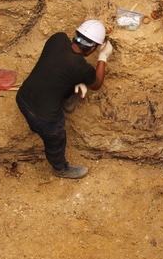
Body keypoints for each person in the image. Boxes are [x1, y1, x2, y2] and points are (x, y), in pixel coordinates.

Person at [16, 19, 113, 179]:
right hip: (44, 118)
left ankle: (68, 101)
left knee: (62, 77)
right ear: (93, 48)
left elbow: (58, 67)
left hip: (23, 97)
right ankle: (60, 169)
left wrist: (79, 80)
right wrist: (103, 57)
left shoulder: (58, 38)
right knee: (56, 140)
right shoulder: (80, 67)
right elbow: (96, 84)